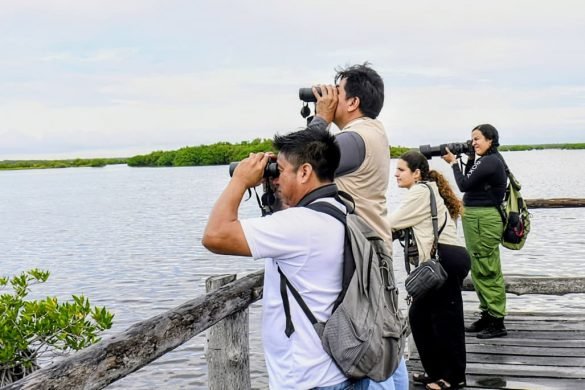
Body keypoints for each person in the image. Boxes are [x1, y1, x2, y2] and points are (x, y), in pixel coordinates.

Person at [203, 128, 353, 389]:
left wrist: (239, 181)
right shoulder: (342, 209)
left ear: (304, 172)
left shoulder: (298, 226)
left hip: (307, 378)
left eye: (280, 170)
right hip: (339, 369)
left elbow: (215, 236)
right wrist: (274, 186)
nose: (276, 178)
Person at [308, 63, 408, 390]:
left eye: (336, 91)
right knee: (383, 335)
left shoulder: (358, 136)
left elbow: (307, 161)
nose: (329, 96)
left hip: (363, 255)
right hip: (374, 246)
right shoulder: (372, 132)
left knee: (367, 343)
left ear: (352, 102)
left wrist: (320, 117)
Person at [389, 151, 471, 390]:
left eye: (401, 169)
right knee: (419, 316)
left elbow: (390, 222)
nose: (395, 174)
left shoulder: (420, 192)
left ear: (416, 174)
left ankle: (454, 378)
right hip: (443, 258)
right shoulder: (426, 189)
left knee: (447, 321)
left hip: (446, 259)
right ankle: (434, 372)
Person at [441, 124, 508, 339]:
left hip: (484, 220)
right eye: (472, 140)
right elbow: (470, 177)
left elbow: (464, 184)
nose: (473, 143)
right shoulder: (486, 160)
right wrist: (469, 157)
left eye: (477, 139)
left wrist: (453, 163)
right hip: (477, 219)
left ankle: (497, 321)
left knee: (487, 267)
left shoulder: (491, 162)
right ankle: (487, 315)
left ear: (490, 140)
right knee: (478, 266)